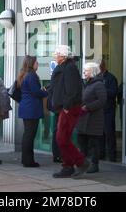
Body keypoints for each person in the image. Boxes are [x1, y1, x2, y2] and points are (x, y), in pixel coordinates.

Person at [48, 45, 90, 178]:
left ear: (63, 56)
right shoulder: (65, 67)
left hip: (69, 108)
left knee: (61, 138)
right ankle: (68, 166)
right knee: (62, 138)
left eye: (56, 53)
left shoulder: (69, 68)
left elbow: (72, 90)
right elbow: (60, 86)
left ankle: (80, 162)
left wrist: (66, 106)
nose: (54, 55)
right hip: (65, 107)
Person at [17, 56, 48, 168]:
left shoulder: (24, 75)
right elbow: (35, 92)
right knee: (30, 135)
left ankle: (26, 159)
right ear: (31, 64)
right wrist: (45, 92)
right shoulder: (31, 76)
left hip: (26, 107)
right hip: (31, 108)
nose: (38, 64)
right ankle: (28, 161)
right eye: (36, 62)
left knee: (27, 134)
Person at [77, 63, 107, 174]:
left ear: (93, 72)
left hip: (94, 119)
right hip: (83, 119)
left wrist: (87, 107)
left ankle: (94, 165)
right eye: (84, 70)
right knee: (82, 142)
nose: (84, 72)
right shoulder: (85, 84)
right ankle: (82, 163)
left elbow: (102, 100)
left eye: (87, 70)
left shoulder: (98, 84)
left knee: (94, 144)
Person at [99, 60, 118, 162]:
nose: (99, 67)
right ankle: (101, 154)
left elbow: (114, 92)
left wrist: (103, 90)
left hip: (109, 109)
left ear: (104, 66)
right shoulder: (97, 77)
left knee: (109, 133)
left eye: (101, 66)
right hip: (99, 110)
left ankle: (112, 155)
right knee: (100, 133)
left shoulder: (111, 78)